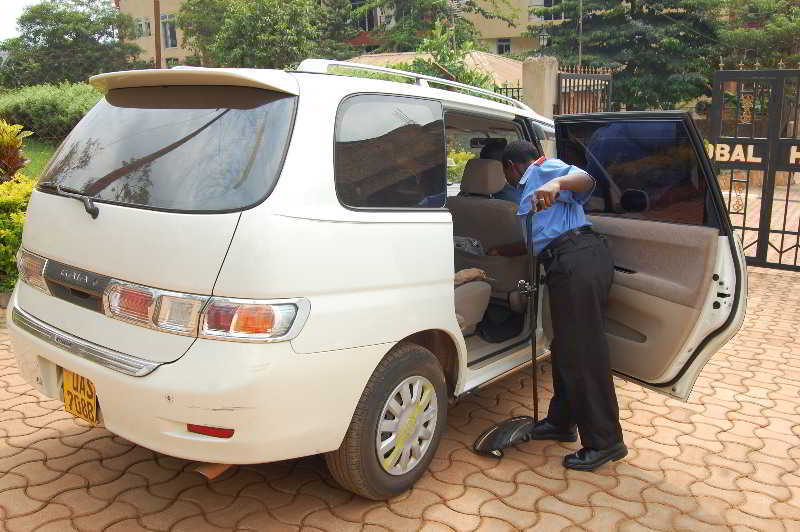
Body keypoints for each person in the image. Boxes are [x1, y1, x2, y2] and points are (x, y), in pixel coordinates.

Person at [498, 140, 627, 471]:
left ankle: (606, 442)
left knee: (584, 351)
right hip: (565, 262)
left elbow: (584, 179)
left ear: (512, 166)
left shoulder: (542, 169)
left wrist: (556, 182)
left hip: (577, 260)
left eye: (505, 172)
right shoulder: (529, 187)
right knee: (567, 348)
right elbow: (543, 233)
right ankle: (561, 422)